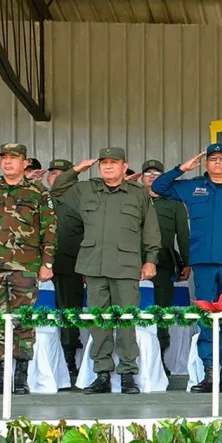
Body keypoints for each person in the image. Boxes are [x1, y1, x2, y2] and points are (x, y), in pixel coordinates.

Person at [51, 147, 160, 395]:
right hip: (95, 266)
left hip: (126, 266)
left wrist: (151, 259)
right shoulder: (86, 189)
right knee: (99, 322)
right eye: (104, 163)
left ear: (125, 166)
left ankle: (128, 374)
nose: (108, 167)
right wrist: (77, 169)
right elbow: (57, 190)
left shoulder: (137, 194)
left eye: (114, 162)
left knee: (126, 320)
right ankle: (101, 373)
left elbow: (151, 229)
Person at [151, 144, 222, 393]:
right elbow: (159, 187)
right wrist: (182, 168)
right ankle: (209, 375)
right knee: (206, 320)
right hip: (203, 264)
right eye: (213, 159)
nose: (218, 163)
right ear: (207, 163)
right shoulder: (192, 187)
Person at [0, 144, 56, 395]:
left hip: (25, 266)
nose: (8, 162)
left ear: (25, 163)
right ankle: (2, 376)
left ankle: (20, 376)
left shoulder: (38, 191)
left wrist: (47, 263)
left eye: (14, 158)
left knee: (22, 320)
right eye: (4, 158)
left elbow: (50, 230)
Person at [140, 160, 191, 375]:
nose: (152, 177)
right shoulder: (133, 199)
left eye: (157, 173)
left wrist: (187, 262)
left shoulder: (174, 202)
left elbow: (184, 235)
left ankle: (159, 359)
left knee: (160, 312)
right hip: (130, 263)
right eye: (148, 173)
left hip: (163, 264)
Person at [47, 159, 85, 376]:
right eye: (52, 174)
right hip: (37, 267)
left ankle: (69, 357)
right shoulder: (39, 198)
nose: (56, 177)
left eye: (61, 174)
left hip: (70, 265)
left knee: (70, 312)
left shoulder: (80, 202)